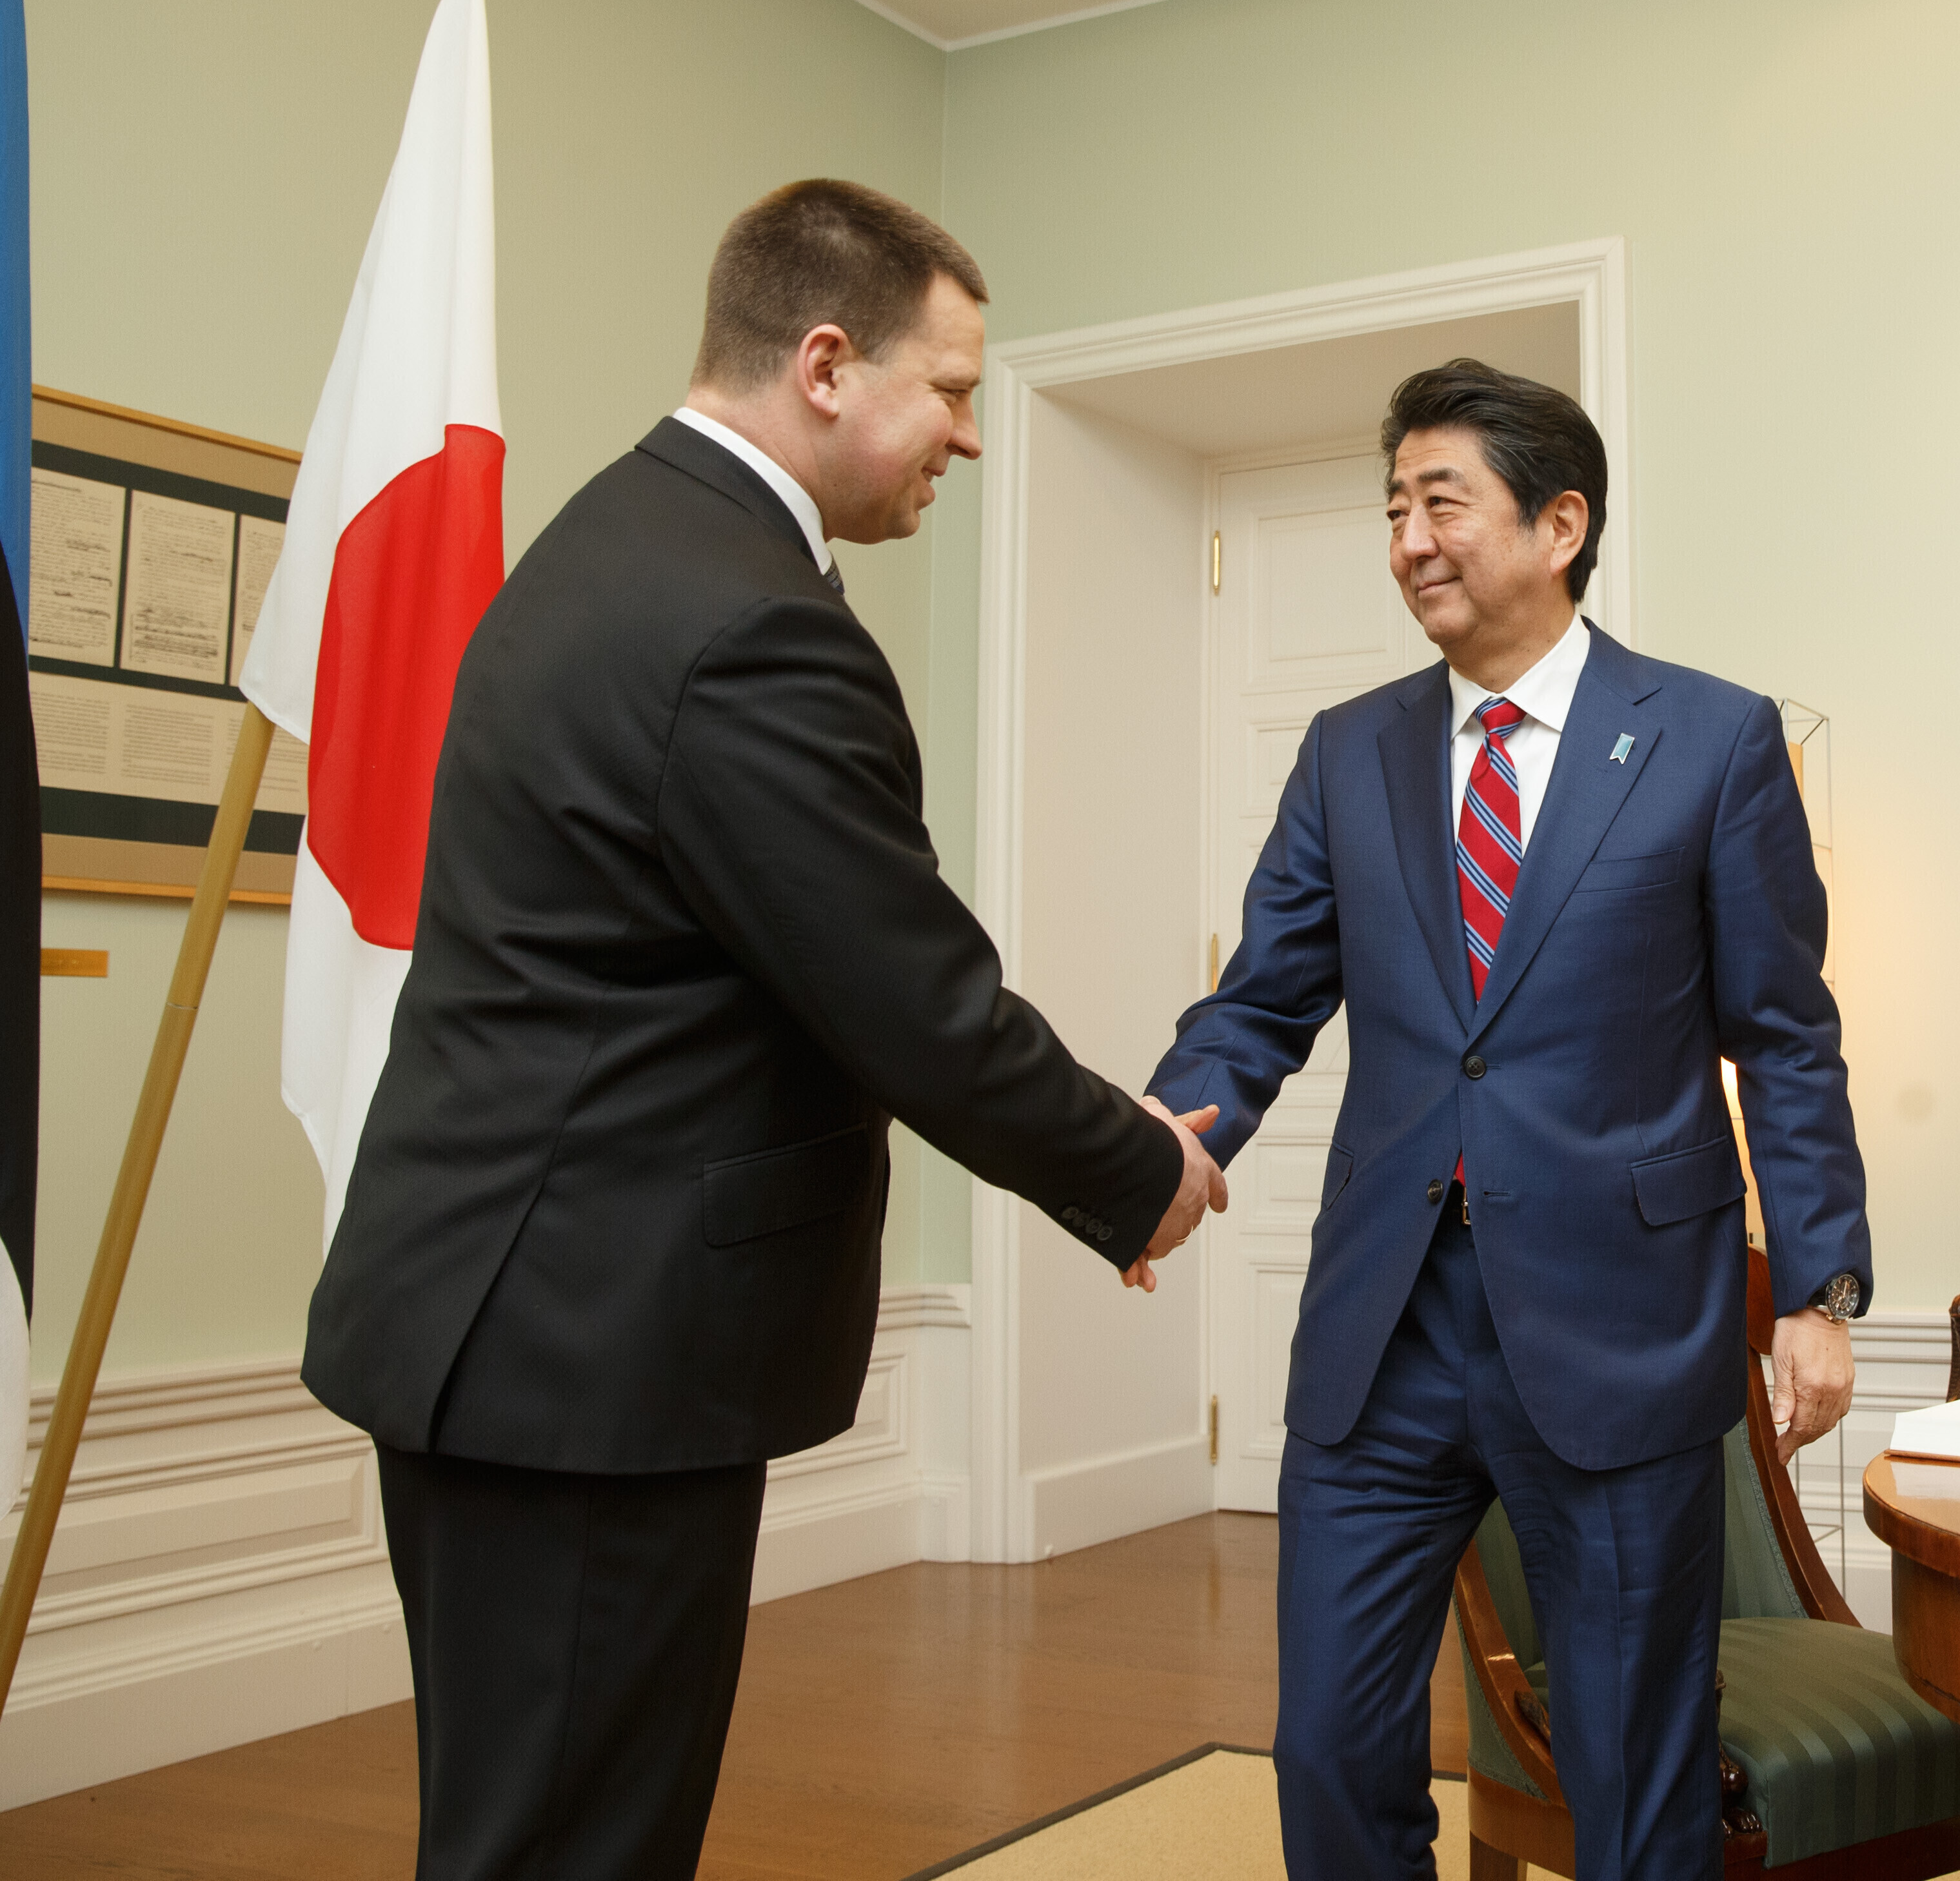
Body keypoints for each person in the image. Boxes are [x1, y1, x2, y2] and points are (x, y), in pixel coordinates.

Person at [301, 180, 1225, 1880]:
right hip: (583, 1348)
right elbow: (909, 1001)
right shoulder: (747, 623)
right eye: (949, 390)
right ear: (823, 363)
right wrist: (1135, 1169)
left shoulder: (615, 539)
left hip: (506, 1316)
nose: (967, 436)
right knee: (575, 1844)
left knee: (528, 1824)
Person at [1147, 360, 1870, 1880]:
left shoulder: (1710, 739)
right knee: (1327, 1746)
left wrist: (1817, 1289)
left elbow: (1783, 1036)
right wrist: (1162, 1138)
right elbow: (1262, 1000)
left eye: (1441, 502)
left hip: (1622, 1327)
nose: (1407, 538)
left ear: (1559, 524)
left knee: (1634, 1767)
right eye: (1391, 509)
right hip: (1385, 1332)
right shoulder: (1347, 750)